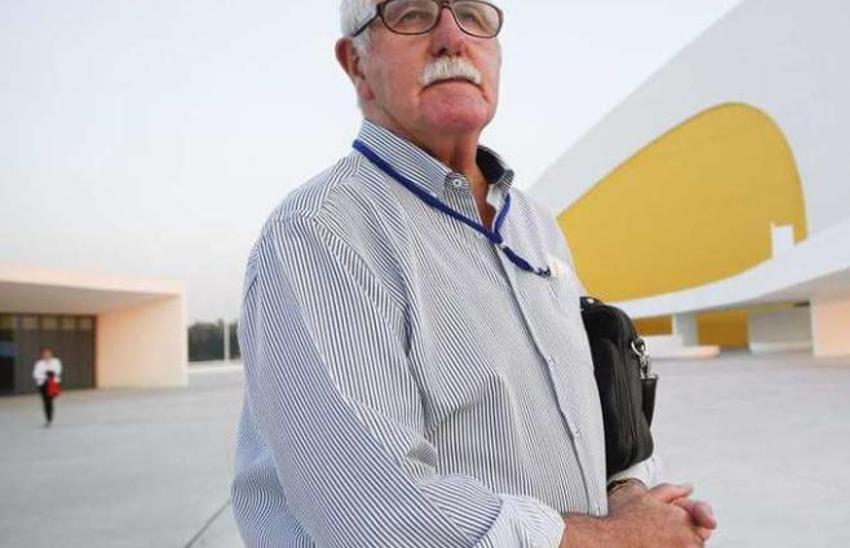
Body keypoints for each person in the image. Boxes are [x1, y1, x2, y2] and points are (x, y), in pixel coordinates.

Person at [230, 1, 717, 546]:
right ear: (356, 64)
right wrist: (619, 540)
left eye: (473, 14)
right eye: (411, 14)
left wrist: (627, 493)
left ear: (496, 54)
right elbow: (376, 514)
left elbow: (588, 405)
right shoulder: (320, 234)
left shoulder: (534, 224)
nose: (450, 38)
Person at [32, 348, 62, 427]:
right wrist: (46, 375)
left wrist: (49, 373)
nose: (47, 356)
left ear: (51, 354)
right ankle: (49, 419)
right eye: (45, 354)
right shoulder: (39, 363)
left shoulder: (56, 361)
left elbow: (58, 371)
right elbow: (36, 374)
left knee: (50, 401)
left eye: (48, 354)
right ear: (42, 356)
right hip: (43, 384)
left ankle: (49, 417)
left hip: (53, 384)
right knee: (47, 402)